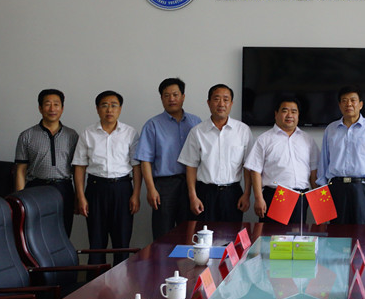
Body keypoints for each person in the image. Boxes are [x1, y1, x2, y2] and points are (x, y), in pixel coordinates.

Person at [72, 90, 141, 266]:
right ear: (97, 109)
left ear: (120, 109)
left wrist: (136, 194)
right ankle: (95, 281)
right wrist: (81, 197)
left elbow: (136, 166)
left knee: (122, 241)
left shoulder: (130, 133)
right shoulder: (87, 133)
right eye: (104, 105)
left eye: (113, 105)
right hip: (96, 189)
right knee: (96, 241)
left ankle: (122, 280)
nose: (109, 110)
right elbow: (79, 166)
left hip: (123, 189)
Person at [135, 78, 202, 240]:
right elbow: (145, 160)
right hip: (164, 186)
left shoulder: (196, 122)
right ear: (161, 98)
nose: (171, 99)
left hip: (191, 184)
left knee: (190, 233)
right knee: (163, 233)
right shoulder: (152, 125)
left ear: (183, 97)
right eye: (166, 95)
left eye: (175, 94)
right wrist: (151, 189)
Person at [178, 84, 253, 222]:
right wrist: (193, 197)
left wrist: (247, 194)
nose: (221, 104)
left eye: (226, 99)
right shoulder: (197, 132)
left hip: (232, 194)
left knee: (231, 234)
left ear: (231, 103)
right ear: (209, 103)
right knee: (204, 234)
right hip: (205, 193)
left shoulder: (243, 131)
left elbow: (248, 167)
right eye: (216, 99)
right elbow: (191, 166)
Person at [316, 85, 365, 224]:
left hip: (363, 189)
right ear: (339, 105)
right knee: (337, 232)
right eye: (344, 101)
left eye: (353, 100)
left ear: (360, 104)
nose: (348, 104)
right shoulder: (331, 129)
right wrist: (322, 194)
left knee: (363, 233)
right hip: (336, 188)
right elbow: (324, 163)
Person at [14, 88, 79, 237]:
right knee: (36, 234)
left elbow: (77, 169)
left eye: (56, 104)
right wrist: (19, 198)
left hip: (63, 188)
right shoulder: (27, 135)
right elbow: (20, 170)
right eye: (47, 104)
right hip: (36, 188)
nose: (52, 109)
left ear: (62, 108)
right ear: (40, 108)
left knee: (63, 232)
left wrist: (77, 196)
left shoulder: (72, 135)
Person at [245, 96, 318, 224]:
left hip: (301, 197)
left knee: (298, 235)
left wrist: (319, 204)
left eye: (294, 111)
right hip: (276, 196)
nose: (290, 115)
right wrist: (258, 199)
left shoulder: (308, 140)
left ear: (298, 115)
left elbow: (314, 172)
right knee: (272, 235)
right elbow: (255, 171)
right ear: (276, 114)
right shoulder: (264, 139)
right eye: (285, 111)